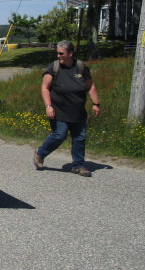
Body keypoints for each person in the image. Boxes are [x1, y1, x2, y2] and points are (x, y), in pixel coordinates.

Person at [33, 40, 100, 177]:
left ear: (70, 53)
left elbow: (90, 86)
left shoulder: (81, 67)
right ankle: (40, 153)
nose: (58, 56)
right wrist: (48, 106)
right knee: (60, 134)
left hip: (78, 111)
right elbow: (45, 87)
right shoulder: (54, 68)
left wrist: (96, 103)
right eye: (57, 53)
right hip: (58, 110)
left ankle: (78, 165)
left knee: (80, 138)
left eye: (61, 53)